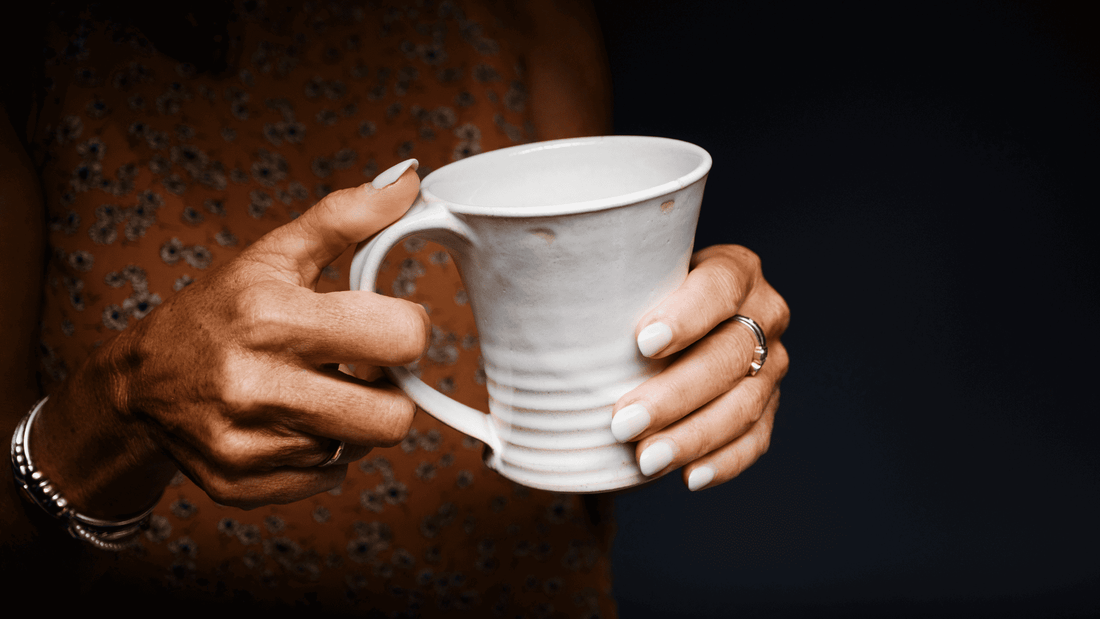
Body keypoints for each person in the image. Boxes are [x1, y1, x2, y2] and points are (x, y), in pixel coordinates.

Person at [1, 0, 789, 615]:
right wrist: (119, 409)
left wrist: (689, 365)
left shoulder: (527, 16)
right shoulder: (37, 56)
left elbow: (599, 389)